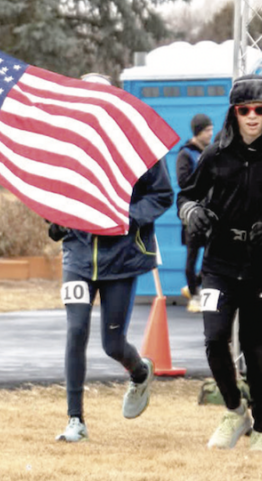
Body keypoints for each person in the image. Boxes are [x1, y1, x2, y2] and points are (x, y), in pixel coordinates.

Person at [49, 74, 173, 443]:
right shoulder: (67, 146)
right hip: (78, 256)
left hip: (123, 257)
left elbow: (162, 194)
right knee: (76, 331)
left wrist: (125, 217)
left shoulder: (138, 145)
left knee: (112, 344)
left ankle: (139, 372)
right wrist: (55, 222)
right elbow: (53, 194)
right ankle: (75, 420)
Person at [178, 74, 262, 453]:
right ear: (234, 112)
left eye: (259, 109)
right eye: (244, 109)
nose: (252, 116)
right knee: (215, 338)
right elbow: (186, 196)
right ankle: (235, 412)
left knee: (258, 348)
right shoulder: (215, 152)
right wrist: (192, 213)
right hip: (219, 261)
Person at [177, 114, 213, 313]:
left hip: (210, 213)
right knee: (192, 256)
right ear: (198, 132)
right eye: (207, 130)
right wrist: (201, 181)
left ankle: (194, 284)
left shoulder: (210, 152)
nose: (210, 134)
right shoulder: (186, 154)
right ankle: (194, 295)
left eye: (211, 130)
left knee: (213, 254)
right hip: (193, 214)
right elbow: (183, 182)